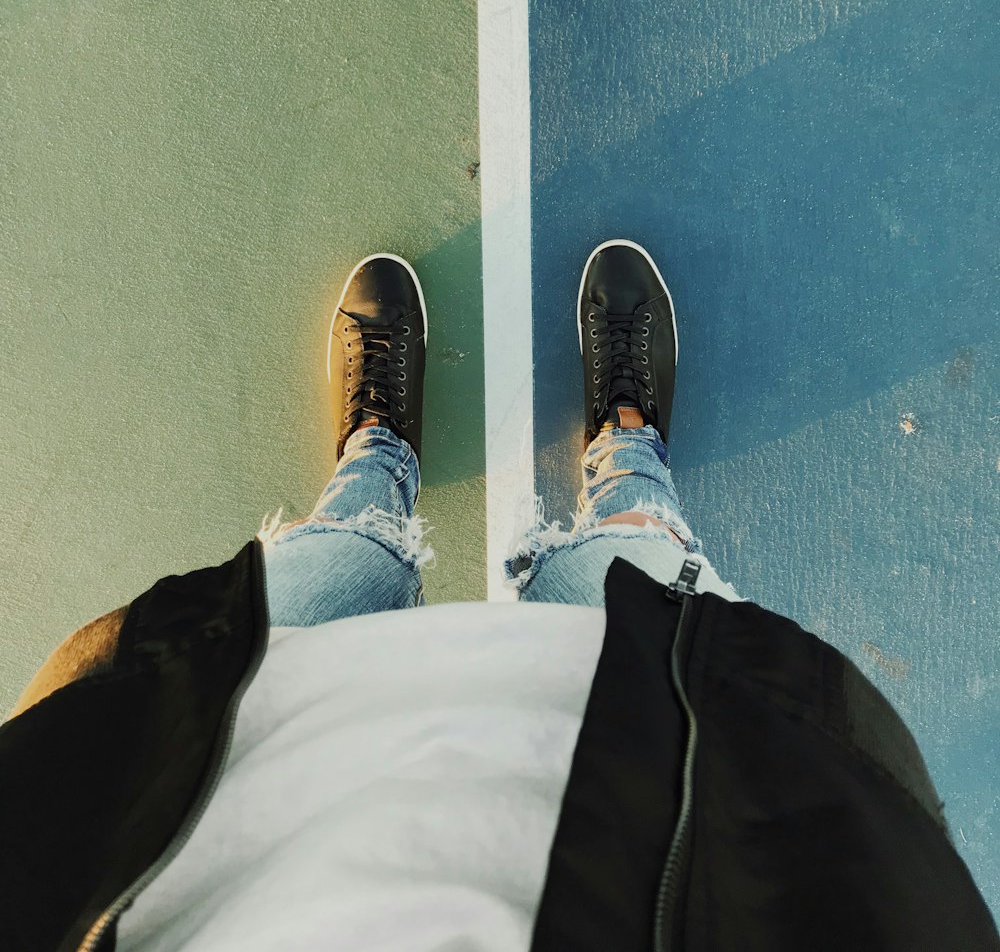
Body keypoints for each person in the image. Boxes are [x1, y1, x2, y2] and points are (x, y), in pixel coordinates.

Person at [0, 240, 996, 951]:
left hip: (225, 799)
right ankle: (627, 443)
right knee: (630, 563)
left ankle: (376, 457)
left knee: (328, 565)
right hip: (650, 802)